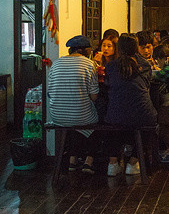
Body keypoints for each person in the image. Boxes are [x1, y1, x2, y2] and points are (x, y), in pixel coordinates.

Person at [47, 35, 120, 176]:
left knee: (75, 117)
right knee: (99, 117)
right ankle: (90, 160)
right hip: (79, 116)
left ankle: (72, 160)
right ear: (85, 51)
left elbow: (50, 92)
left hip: (56, 115)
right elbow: (94, 96)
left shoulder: (56, 63)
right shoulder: (88, 64)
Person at [105, 34, 157, 176]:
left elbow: (108, 84)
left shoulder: (110, 66)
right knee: (147, 123)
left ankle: (112, 164)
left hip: (115, 114)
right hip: (142, 112)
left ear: (119, 48)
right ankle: (133, 163)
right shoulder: (145, 65)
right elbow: (147, 86)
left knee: (114, 124)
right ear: (136, 47)